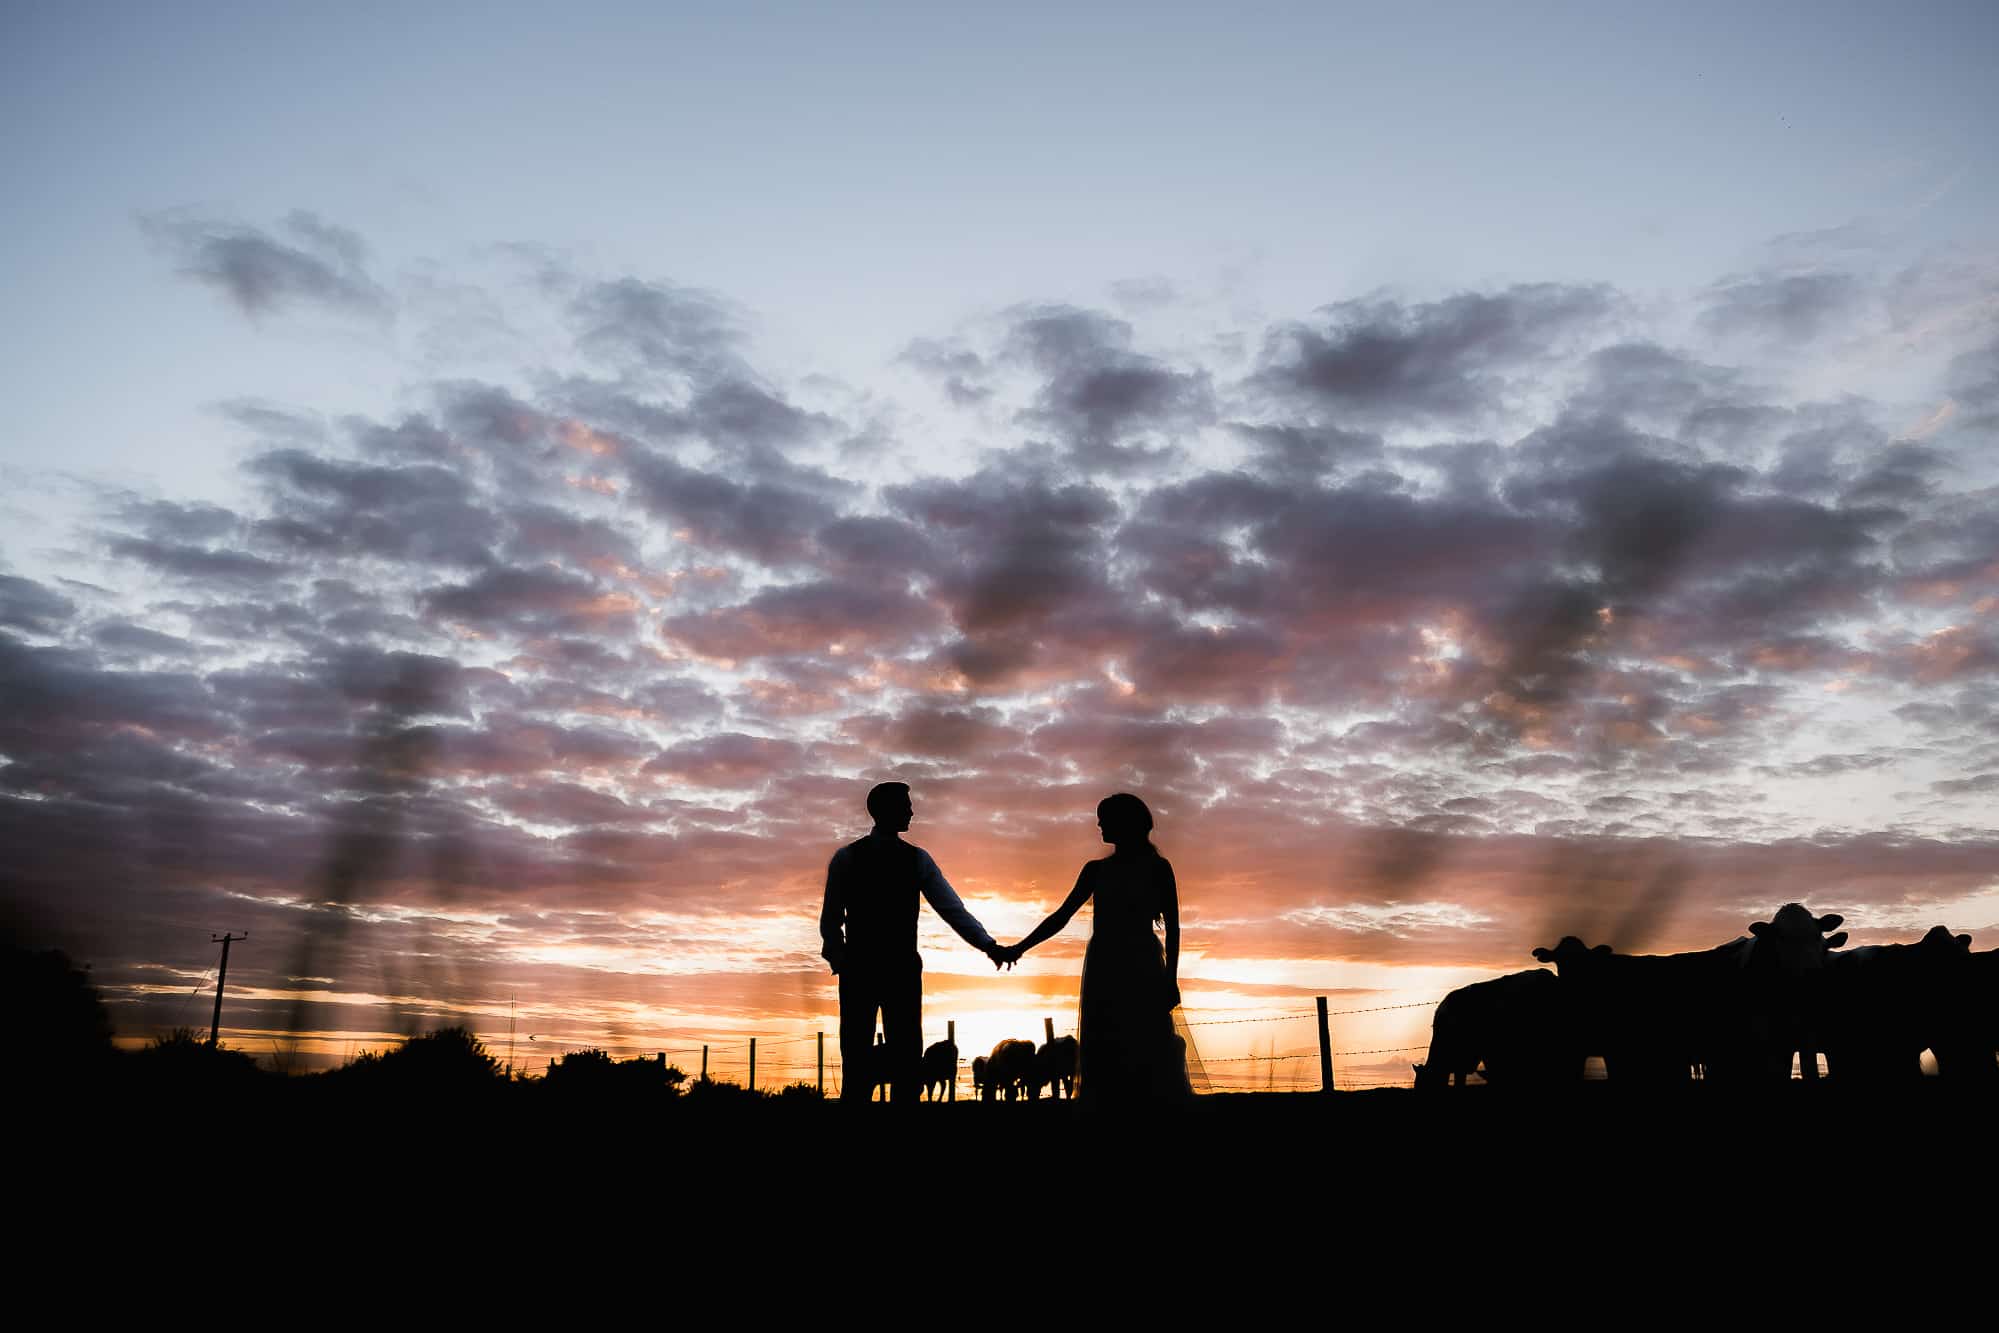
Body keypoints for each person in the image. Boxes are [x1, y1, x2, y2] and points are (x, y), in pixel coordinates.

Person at [820, 781, 1009, 1102]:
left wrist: (841, 959)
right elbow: (951, 909)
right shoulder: (909, 859)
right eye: (905, 805)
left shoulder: (850, 857)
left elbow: (830, 921)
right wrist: (988, 945)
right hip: (892, 971)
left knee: (866, 1057)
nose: (911, 810)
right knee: (888, 1058)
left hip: (871, 971)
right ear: (886, 810)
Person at [1004, 793, 1191, 1106]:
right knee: (1107, 1042)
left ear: (1125, 823)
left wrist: (1170, 980)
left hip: (1141, 966)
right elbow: (1060, 917)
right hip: (1106, 968)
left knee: (1146, 1041)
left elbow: (1173, 927)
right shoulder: (1095, 870)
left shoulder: (1158, 868)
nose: (1100, 825)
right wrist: (1020, 948)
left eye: (1105, 819)